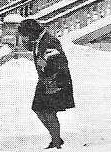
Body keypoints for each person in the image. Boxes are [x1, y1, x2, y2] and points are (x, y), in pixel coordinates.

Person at [18, 19, 74, 149]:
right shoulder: (39, 39)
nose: (24, 38)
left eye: (24, 35)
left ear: (31, 32)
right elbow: (34, 49)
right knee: (38, 109)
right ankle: (56, 138)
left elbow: (61, 62)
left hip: (56, 80)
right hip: (45, 80)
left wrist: (49, 71)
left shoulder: (50, 41)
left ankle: (56, 143)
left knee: (49, 111)